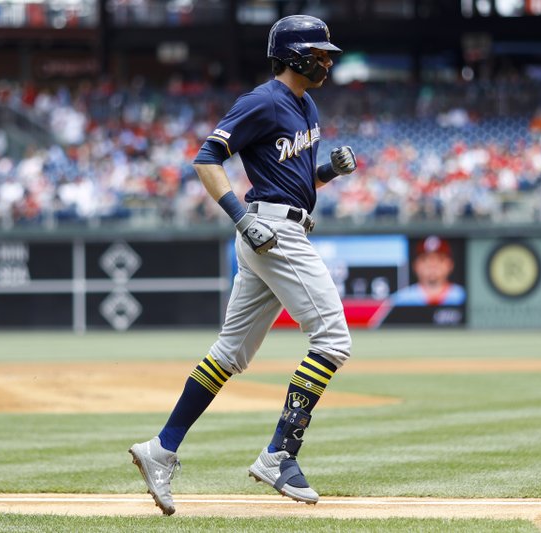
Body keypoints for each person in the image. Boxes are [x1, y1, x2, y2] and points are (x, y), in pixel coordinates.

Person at [129, 15, 357, 515]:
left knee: (230, 352)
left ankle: (160, 449)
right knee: (334, 339)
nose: (326, 60)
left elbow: (289, 178)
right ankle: (280, 453)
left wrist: (327, 173)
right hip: (270, 231)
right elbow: (207, 158)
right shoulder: (262, 100)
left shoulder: (305, 103)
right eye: (319, 53)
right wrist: (240, 218)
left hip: (281, 223)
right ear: (293, 55)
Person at [391, 236, 466, 306]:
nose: (432, 265)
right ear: (415, 265)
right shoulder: (400, 300)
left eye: (440, 259)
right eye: (425, 260)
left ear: (450, 264)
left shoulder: (463, 297)